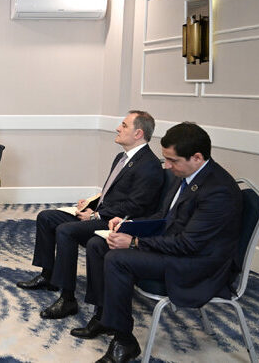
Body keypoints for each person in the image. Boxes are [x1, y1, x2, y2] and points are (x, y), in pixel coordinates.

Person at [80, 122, 242, 363]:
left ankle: (124, 341)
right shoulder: (185, 173)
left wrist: (134, 242)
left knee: (117, 259)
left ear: (197, 157)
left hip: (198, 263)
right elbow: (164, 217)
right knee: (98, 245)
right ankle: (105, 318)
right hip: (176, 246)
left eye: (172, 160)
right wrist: (128, 224)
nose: (166, 166)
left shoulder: (218, 191)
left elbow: (189, 244)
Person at [16, 111, 163, 320]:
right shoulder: (122, 157)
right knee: (46, 217)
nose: (117, 128)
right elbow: (111, 193)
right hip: (100, 213)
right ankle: (48, 275)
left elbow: (136, 206)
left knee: (66, 231)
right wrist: (91, 203)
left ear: (138, 133)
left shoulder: (149, 165)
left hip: (114, 222)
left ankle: (67, 298)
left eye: (123, 125)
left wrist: (96, 215)